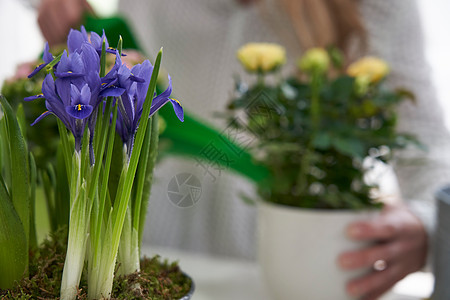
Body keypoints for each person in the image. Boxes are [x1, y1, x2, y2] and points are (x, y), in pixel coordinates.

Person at [35, 0, 450, 298]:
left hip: (298, 274)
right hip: (149, 258)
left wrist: (428, 226)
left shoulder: (379, 7)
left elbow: (432, 157)